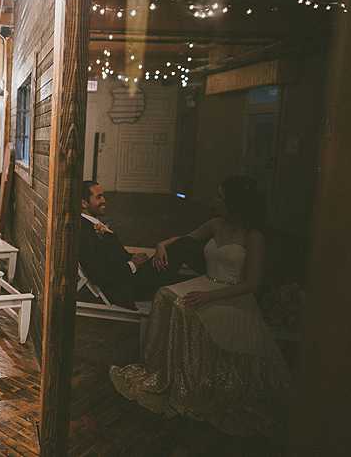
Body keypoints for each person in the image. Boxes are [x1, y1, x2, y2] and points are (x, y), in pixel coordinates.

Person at [109, 176, 291, 436]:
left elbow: (252, 284)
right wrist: (161, 245)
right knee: (164, 295)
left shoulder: (253, 236)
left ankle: (195, 379)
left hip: (231, 293)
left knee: (187, 307)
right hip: (206, 281)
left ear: (235, 203)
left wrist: (209, 297)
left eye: (220, 197)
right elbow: (185, 239)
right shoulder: (216, 224)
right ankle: (166, 373)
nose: (215, 201)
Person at [79, 181, 197, 308]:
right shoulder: (84, 230)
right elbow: (99, 274)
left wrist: (135, 258)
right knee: (182, 248)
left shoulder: (91, 225)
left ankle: (209, 282)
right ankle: (210, 282)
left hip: (134, 275)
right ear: (84, 203)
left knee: (180, 255)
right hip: (129, 285)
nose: (104, 200)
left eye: (103, 196)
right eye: (99, 197)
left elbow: (111, 256)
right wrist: (133, 265)